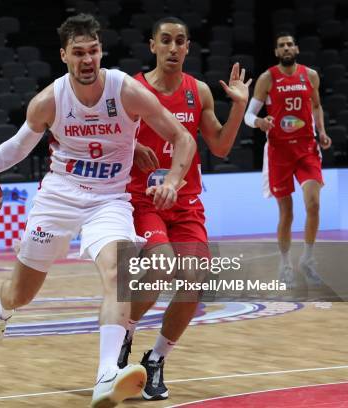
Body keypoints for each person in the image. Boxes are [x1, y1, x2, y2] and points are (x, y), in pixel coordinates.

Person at [0, 14, 196, 408]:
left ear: (102, 52)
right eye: (78, 52)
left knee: (120, 272)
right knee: (21, 293)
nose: (87, 60)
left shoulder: (126, 90)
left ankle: (105, 376)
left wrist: (173, 181)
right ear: (64, 55)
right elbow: (17, 147)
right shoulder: (50, 100)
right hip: (58, 200)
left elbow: (182, 137)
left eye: (94, 51)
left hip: (109, 200)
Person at [117, 17, 252, 400]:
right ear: (153, 46)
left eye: (180, 41)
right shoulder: (133, 89)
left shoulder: (199, 93)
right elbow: (113, 141)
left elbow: (221, 147)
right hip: (144, 200)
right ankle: (122, 330)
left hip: (186, 202)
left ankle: (155, 359)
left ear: (188, 47)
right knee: (161, 267)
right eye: (166, 41)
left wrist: (238, 107)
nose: (173, 48)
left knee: (194, 280)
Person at [244, 32, 331, 286]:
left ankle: (308, 259)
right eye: (281, 45)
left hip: (306, 148)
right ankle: (285, 264)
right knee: (287, 213)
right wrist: (259, 121)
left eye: (290, 44)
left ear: (297, 48)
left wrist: (322, 132)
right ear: (276, 52)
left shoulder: (310, 75)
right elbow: (249, 115)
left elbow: (316, 106)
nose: (286, 48)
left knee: (313, 204)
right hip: (279, 152)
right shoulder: (267, 78)